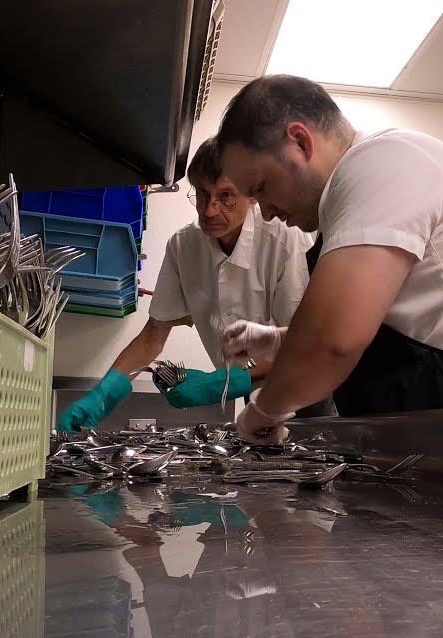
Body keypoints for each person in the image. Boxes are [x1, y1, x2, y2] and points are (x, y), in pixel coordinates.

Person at [215, 75, 443, 442]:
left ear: (300, 141)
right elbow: (408, 329)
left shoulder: (381, 163)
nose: (264, 213)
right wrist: (278, 341)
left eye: (260, 188)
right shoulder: (350, 196)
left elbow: (333, 340)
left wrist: (262, 413)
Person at [57, 137, 314, 431]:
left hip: (308, 391)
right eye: (202, 195)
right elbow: (153, 336)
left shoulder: (285, 240)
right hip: (254, 396)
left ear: (252, 194)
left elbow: (302, 344)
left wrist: (221, 381)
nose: (210, 210)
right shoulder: (184, 246)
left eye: (226, 196)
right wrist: (101, 397)